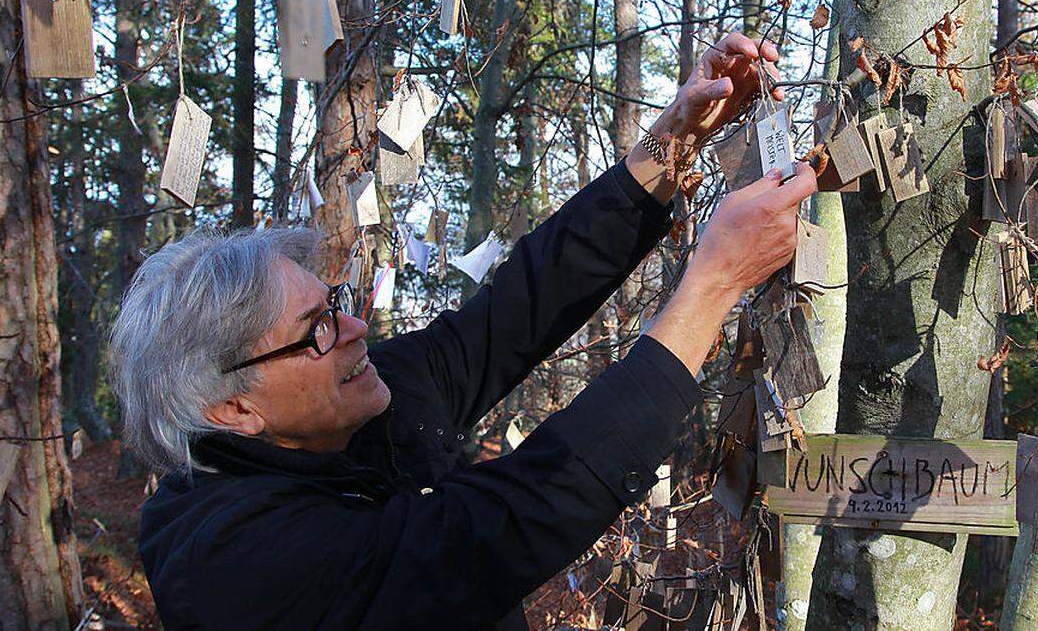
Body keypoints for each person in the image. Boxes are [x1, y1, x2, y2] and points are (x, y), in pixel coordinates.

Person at [110, 32, 817, 630]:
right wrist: (713, 284)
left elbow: (517, 307)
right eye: (316, 329)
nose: (355, 326)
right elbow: (502, 524)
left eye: (337, 301)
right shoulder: (237, 564)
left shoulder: (349, 408)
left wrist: (675, 137)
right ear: (235, 407)